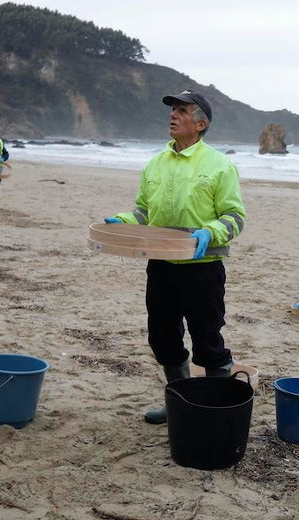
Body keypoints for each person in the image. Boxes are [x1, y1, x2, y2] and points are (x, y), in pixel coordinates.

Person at [103, 90, 246, 424]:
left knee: (208, 340)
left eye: (182, 111)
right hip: (161, 266)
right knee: (163, 338)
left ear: (201, 124)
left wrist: (210, 232)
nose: (173, 115)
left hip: (203, 269)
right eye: (172, 111)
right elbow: (144, 212)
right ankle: (181, 401)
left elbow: (234, 217)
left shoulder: (219, 165)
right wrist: (123, 222)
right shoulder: (155, 164)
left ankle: (215, 407)